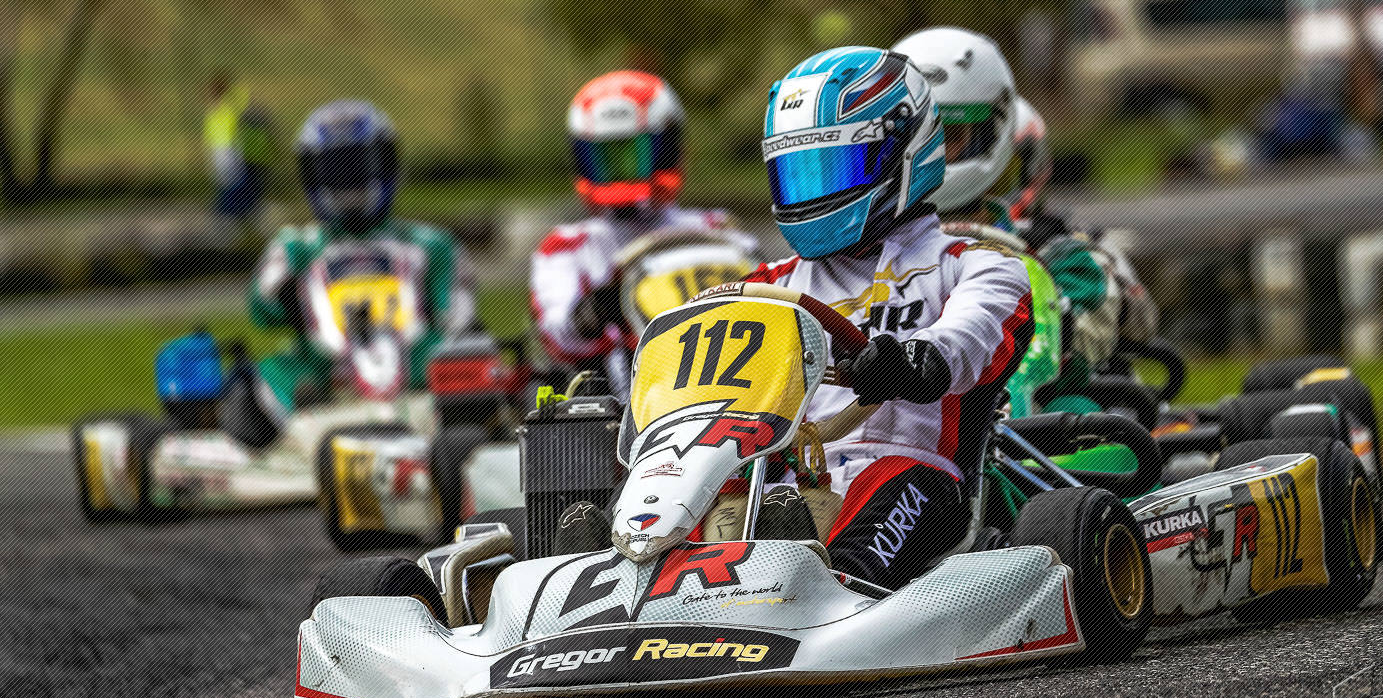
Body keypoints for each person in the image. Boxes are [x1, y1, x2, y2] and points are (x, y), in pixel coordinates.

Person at [749, 46, 1035, 588]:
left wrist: (912, 361)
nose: (816, 191)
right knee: (718, 485)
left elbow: (971, 337)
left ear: (903, 153)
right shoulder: (769, 286)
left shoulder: (976, 266)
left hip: (912, 472)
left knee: (889, 482)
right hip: (784, 477)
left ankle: (829, 590)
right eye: (799, 174)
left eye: (834, 168)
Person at [891, 27, 1155, 409]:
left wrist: (1054, 318)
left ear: (990, 132)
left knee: (1081, 413)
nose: (927, 154)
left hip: (1017, 424)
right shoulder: (864, 253)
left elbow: (1112, 322)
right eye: (915, 139)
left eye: (947, 135)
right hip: (885, 425)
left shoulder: (1058, 255)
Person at [225, 100, 477, 444]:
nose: (348, 184)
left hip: (416, 371)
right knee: (261, 378)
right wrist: (283, 294)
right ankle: (289, 434)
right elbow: (261, 309)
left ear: (385, 165)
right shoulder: (296, 247)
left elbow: (458, 316)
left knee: (467, 356)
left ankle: (455, 429)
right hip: (324, 377)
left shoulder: (430, 244)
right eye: (335, 171)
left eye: (356, 168)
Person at [529, 70, 754, 382]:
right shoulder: (567, 247)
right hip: (627, 390)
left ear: (668, 150)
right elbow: (558, 336)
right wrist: (596, 310)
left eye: (634, 154)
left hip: (732, 370)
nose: (621, 172)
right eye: (607, 160)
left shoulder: (718, 231)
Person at [202, 70, 273, 225]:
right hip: (225, 150)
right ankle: (233, 219)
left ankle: (236, 219)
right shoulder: (220, 107)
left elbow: (256, 115)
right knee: (233, 189)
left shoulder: (234, 100)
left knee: (238, 188)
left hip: (235, 151)